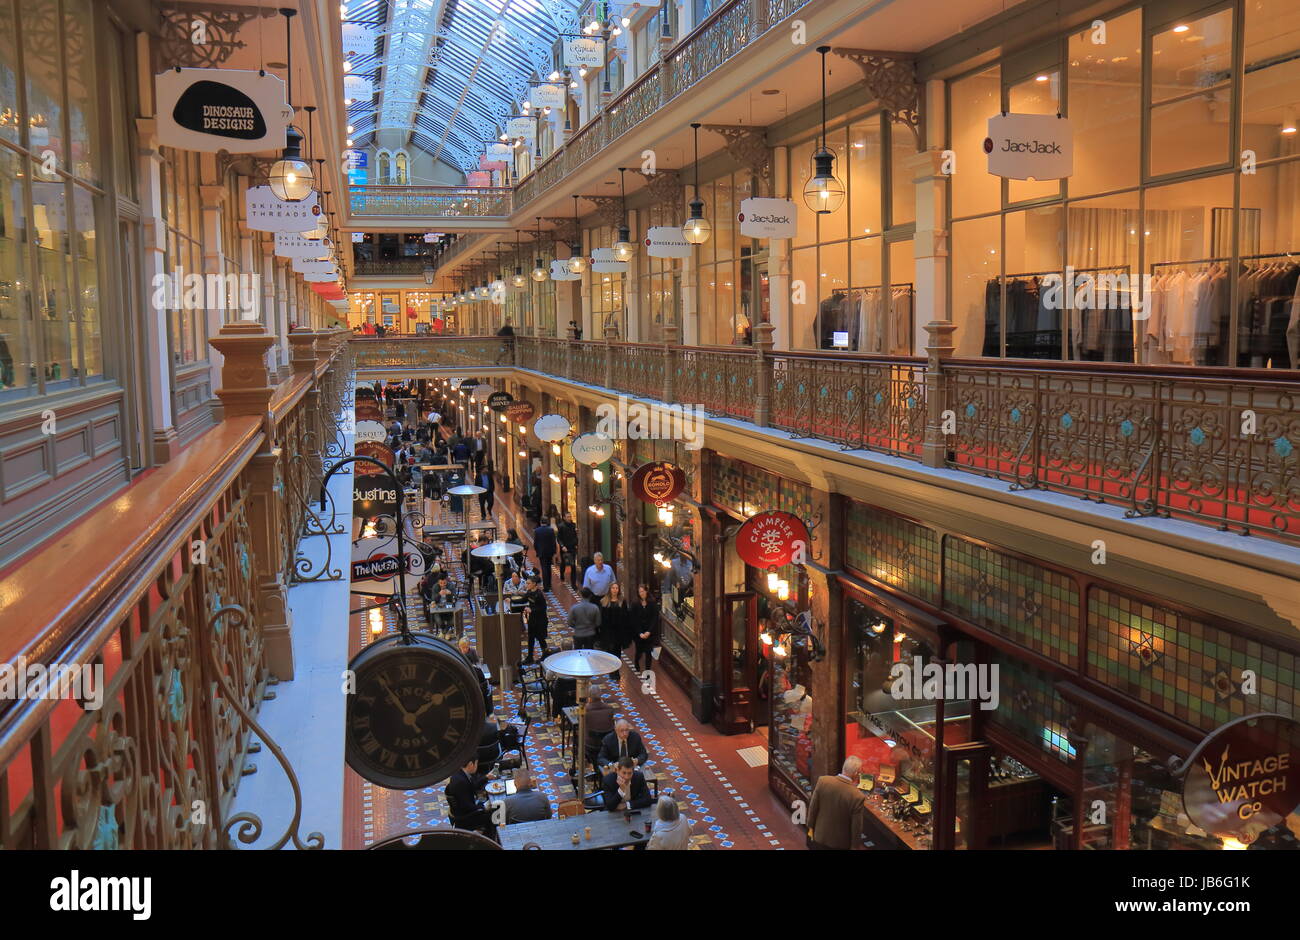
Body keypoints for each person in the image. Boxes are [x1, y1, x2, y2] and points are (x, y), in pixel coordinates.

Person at [807, 756, 867, 850]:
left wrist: (810, 828)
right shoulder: (857, 796)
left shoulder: (823, 781)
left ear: (844, 767)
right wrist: (855, 847)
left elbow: (813, 807)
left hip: (819, 836)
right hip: (840, 844)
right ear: (856, 773)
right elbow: (856, 827)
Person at [445, 756, 494, 837]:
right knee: (493, 814)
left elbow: (471, 786)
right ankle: (489, 837)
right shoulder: (461, 782)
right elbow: (467, 806)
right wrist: (483, 807)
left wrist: (486, 777)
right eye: (476, 763)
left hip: (461, 810)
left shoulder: (459, 773)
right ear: (471, 764)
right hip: (465, 817)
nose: (477, 766)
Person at [629, 583, 660, 674]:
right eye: (640, 592)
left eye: (643, 591)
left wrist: (649, 631)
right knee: (639, 651)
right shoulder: (635, 604)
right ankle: (636, 661)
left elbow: (654, 618)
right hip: (639, 632)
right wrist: (640, 633)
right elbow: (633, 619)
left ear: (646, 591)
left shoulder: (652, 603)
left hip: (649, 632)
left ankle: (647, 671)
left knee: (648, 652)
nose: (641, 593)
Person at [598, 581, 627, 656]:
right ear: (610, 589)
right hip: (607, 631)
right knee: (609, 652)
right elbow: (601, 617)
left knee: (617, 652)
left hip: (618, 631)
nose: (615, 590)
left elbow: (625, 616)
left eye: (616, 588)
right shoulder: (603, 601)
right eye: (613, 588)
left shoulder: (622, 601)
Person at [523, 575, 548, 661]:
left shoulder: (539, 595)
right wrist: (511, 600)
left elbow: (543, 608)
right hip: (532, 620)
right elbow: (523, 599)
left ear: (534, 584)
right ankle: (530, 657)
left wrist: (531, 610)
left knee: (541, 639)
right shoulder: (529, 592)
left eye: (528, 583)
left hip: (540, 621)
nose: (526, 585)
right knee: (530, 638)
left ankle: (545, 656)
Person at [531, 517, 557, 592]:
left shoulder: (537, 530)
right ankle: (549, 584)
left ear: (540, 522)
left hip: (541, 553)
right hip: (549, 552)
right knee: (549, 568)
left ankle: (546, 586)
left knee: (544, 568)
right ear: (547, 522)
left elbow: (535, 543)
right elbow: (553, 542)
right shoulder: (551, 530)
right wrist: (554, 552)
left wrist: (537, 551)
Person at [557, 513, 579, 589]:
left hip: (572, 548)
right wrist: (562, 546)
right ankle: (562, 574)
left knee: (573, 566)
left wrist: (576, 543)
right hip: (564, 549)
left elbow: (575, 536)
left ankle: (573, 584)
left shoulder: (573, 525)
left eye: (570, 516)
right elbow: (558, 538)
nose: (569, 518)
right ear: (564, 517)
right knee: (564, 563)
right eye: (568, 517)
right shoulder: (561, 526)